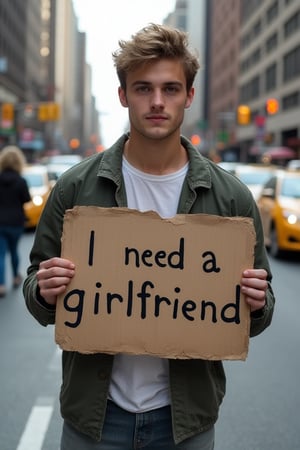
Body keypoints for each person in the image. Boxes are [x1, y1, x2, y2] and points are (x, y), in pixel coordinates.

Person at [23, 23, 275, 449]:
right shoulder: (74, 189)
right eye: (143, 88)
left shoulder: (231, 197)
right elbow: (36, 291)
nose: (157, 102)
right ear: (123, 96)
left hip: (184, 424)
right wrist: (44, 289)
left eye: (171, 89)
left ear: (189, 96)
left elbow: (260, 312)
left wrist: (257, 300)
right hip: (95, 419)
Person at [0, 145, 31, 297]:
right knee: (14, 251)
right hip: (16, 222)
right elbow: (27, 199)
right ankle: (15, 277)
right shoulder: (21, 181)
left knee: (0, 254)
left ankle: (1, 285)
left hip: (0, 222)